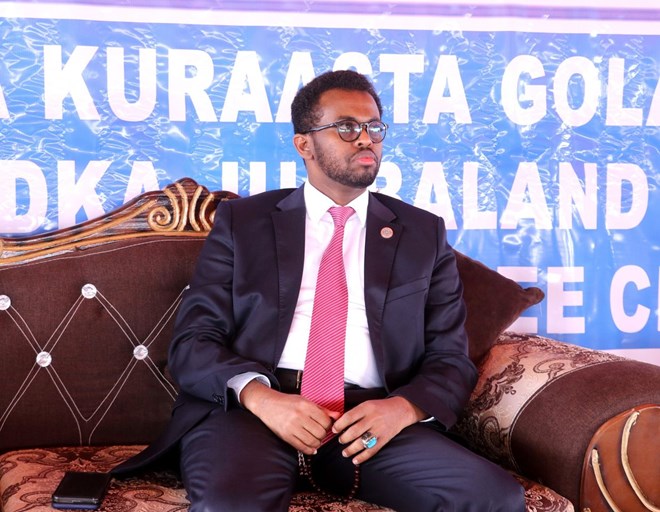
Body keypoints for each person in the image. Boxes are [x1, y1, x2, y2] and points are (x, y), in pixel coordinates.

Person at [114, 69, 526, 512]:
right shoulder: (244, 224)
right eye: (346, 127)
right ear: (304, 144)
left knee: (495, 498)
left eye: (374, 127)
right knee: (230, 506)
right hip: (258, 412)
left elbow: (449, 357)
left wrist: (403, 408)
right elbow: (193, 342)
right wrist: (262, 398)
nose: (365, 138)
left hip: (367, 422)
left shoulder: (422, 234)